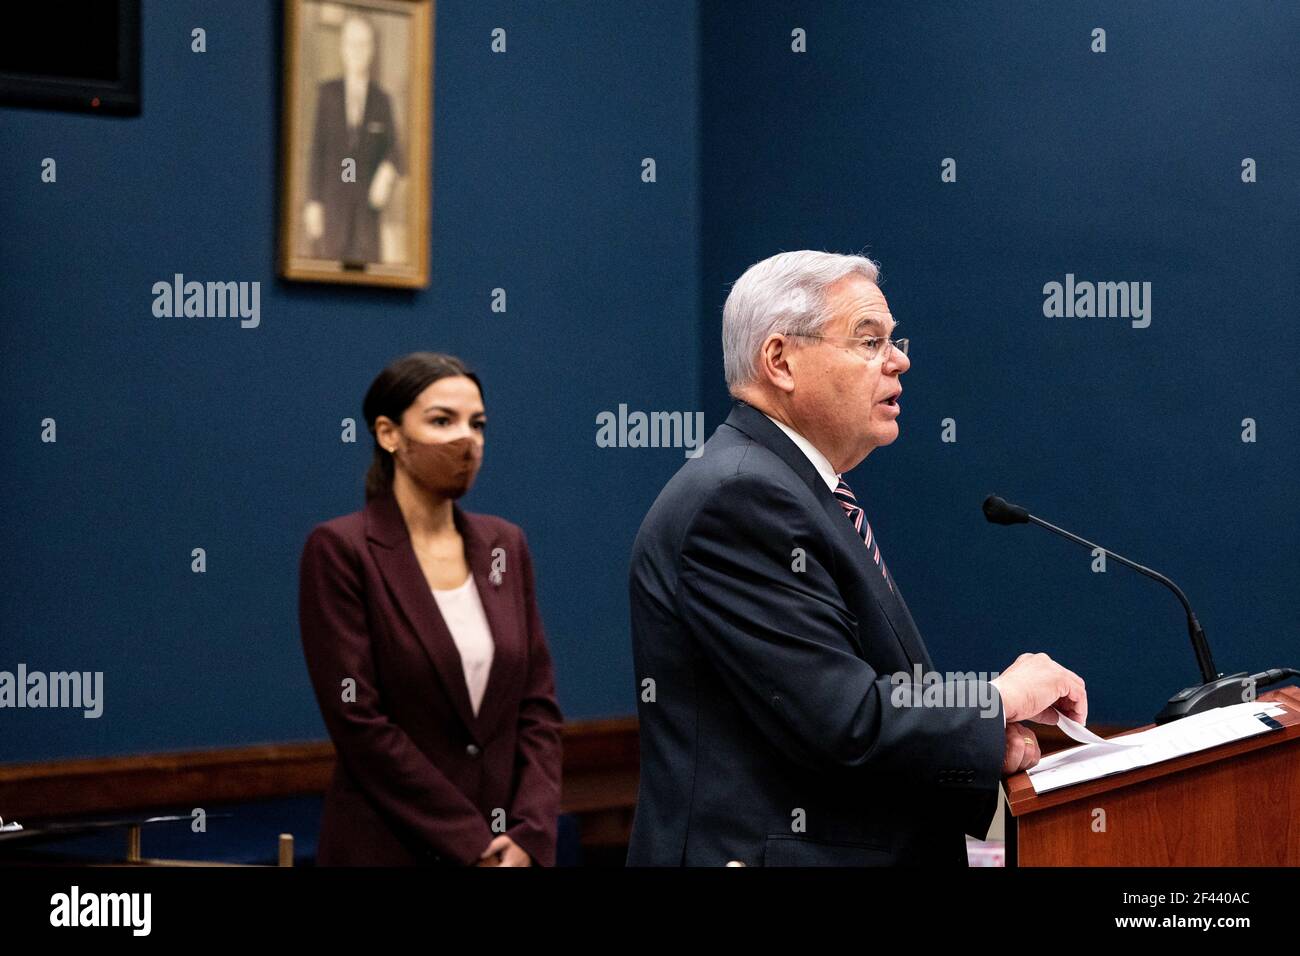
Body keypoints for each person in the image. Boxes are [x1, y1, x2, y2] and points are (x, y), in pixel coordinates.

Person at [627, 251, 1087, 866]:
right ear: (781, 360)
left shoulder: (794, 488)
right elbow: (842, 720)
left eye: (893, 341)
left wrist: (978, 742)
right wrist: (997, 700)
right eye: (869, 341)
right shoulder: (740, 498)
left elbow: (845, 702)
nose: (899, 360)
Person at [299, 352, 562, 866]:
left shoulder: (504, 545)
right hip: (389, 848)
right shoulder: (340, 549)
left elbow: (537, 706)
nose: (467, 440)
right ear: (389, 433)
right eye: (442, 421)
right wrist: (473, 845)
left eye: (477, 424)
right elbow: (360, 722)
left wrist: (529, 834)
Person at [304, 13, 404, 264]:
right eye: (352, 44)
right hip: (331, 212)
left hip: (367, 217)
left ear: (371, 49)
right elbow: (317, 150)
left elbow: (398, 151)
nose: (358, 51)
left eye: (364, 44)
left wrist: (388, 170)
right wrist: (313, 202)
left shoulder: (382, 101)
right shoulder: (327, 94)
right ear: (343, 48)